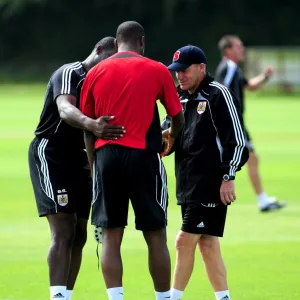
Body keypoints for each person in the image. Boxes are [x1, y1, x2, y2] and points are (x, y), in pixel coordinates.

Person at [80, 21, 184, 300]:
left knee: (111, 236)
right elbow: (177, 115)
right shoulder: (157, 69)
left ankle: (116, 298)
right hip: (144, 157)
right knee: (155, 235)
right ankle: (163, 298)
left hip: (106, 158)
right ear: (142, 42)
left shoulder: (95, 72)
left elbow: (88, 128)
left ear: (116, 44)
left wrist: (93, 167)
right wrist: (170, 138)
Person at [28, 37, 122, 300]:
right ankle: (56, 296)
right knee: (64, 228)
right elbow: (65, 109)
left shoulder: (102, 82)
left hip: (79, 159)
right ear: (99, 50)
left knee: (80, 232)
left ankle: (66, 295)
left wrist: (96, 169)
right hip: (50, 153)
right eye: (109, 59)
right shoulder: (71, 72)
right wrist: (92, 124)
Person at [161, 45, 249, 300]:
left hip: (210, 182)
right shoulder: (178, 98)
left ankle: (171, 299)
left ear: (201, 68)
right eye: (177, 71)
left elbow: (237, 141)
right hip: (187, 183)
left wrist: (228, 177)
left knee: (183, 242)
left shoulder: (218, 95)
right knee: (208, 244)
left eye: (185, 70)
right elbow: (168, 134)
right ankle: (224, 298)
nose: (180, 76)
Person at [215, 35, 286, 212]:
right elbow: (219, 92)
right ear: (228, 50)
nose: (242, 49)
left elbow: (249, 86)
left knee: (248, 158)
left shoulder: (233, 68)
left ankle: (261, 200)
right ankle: (260, 201)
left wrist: (265, 76)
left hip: (235, 123)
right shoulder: (229, 67)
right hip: (233, 124)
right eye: (238, 46)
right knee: (247, 158)